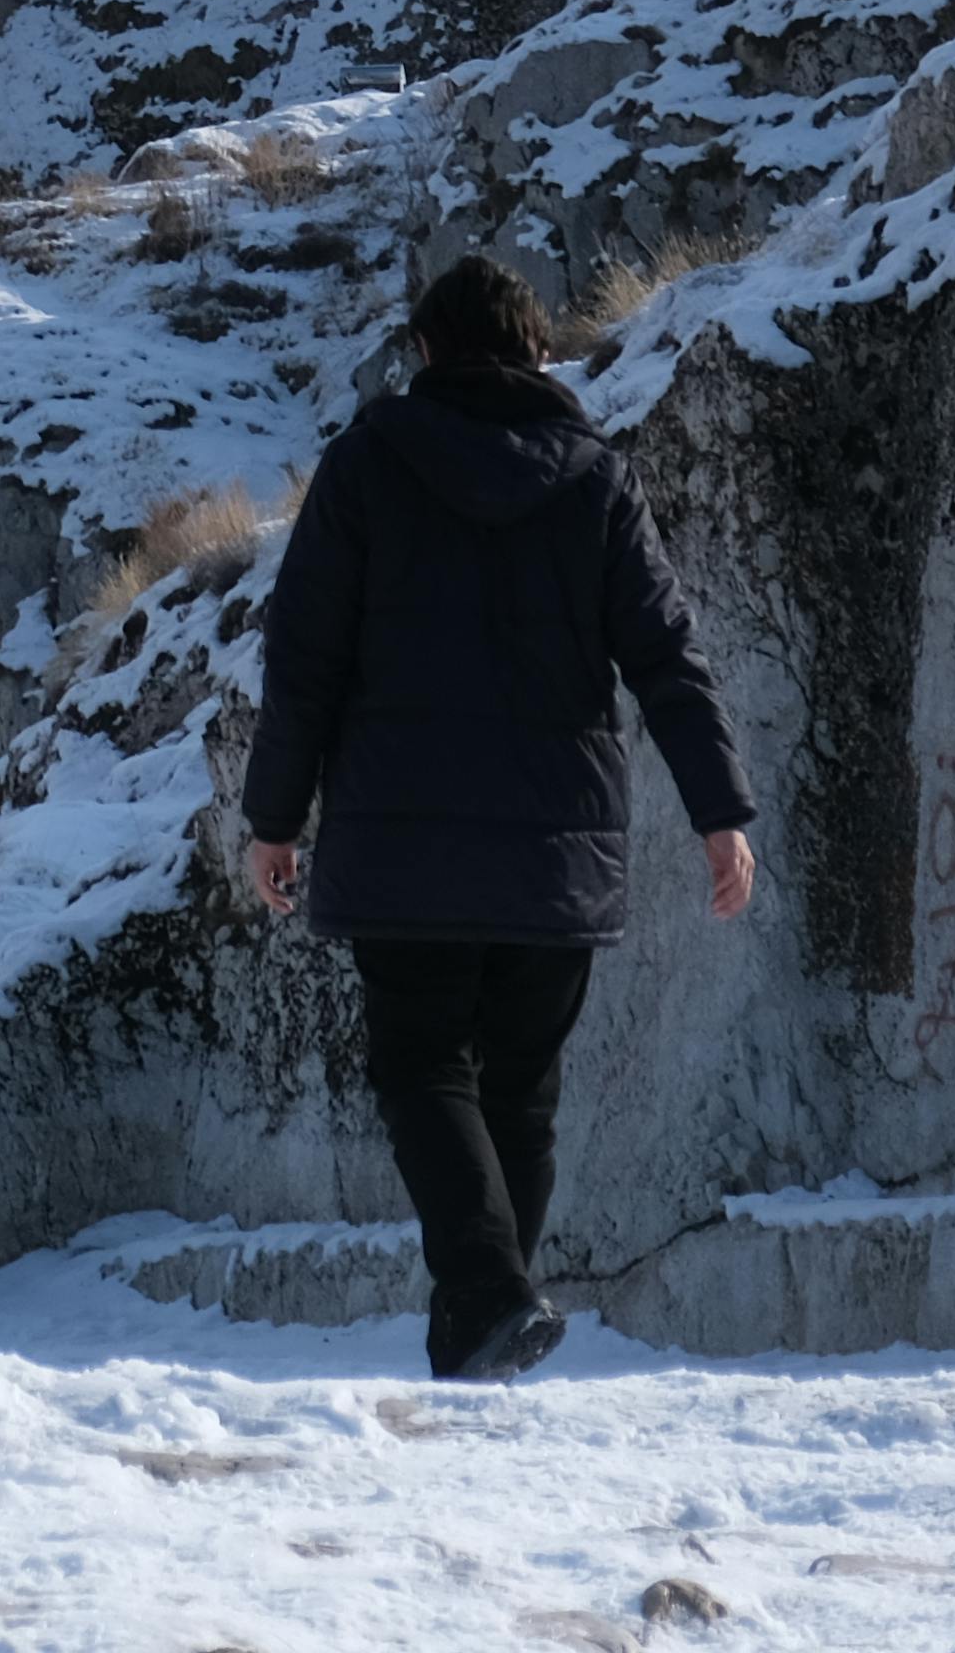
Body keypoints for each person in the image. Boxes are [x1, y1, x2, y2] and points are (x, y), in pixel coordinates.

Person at [238, 258, 761, 1381]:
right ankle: (484, 1331)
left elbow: (303, 662)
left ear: (426, 349)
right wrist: (718, 811)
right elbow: (667, 655)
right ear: (536, 352)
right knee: (519, 1090)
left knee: (424, 1067)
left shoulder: (368, 465)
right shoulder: (596, 481)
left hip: (403, 844)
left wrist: (273, 818)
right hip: (553, 851)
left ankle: (489, 1302)